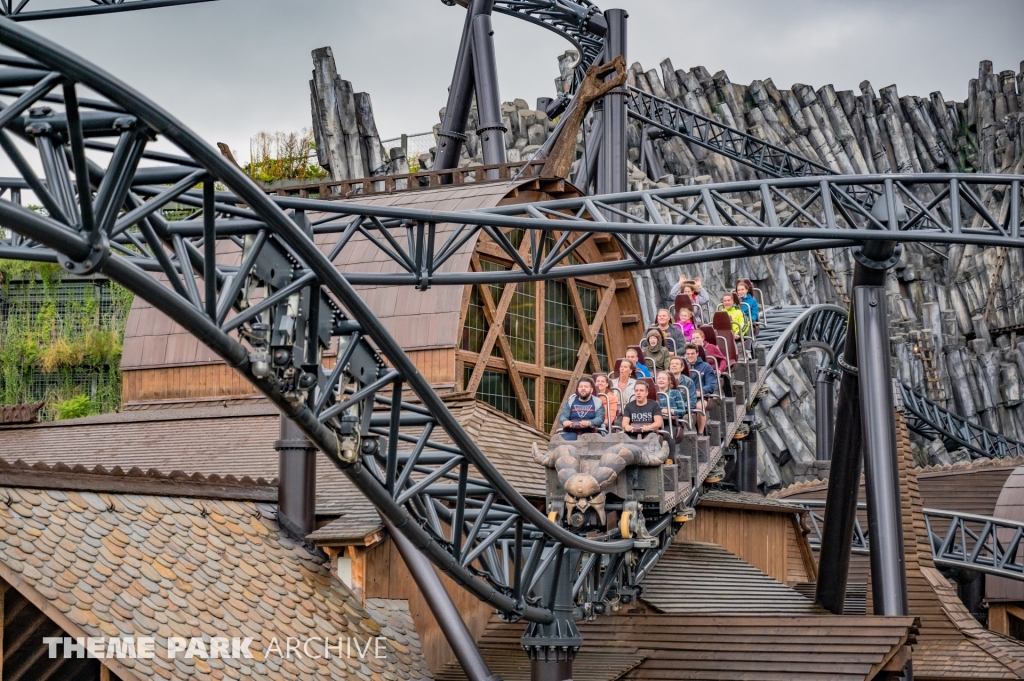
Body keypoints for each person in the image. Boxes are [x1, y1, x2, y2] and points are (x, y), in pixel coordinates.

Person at [558, 376, 605, 441]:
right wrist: (564, 421)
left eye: (586, 387)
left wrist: (589, 423)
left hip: (591, 432)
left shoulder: (597, 402)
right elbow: (563, 416)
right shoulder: (570, 401)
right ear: (578, 389)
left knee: (587, 439)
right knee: (562, 441)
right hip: (571, 431)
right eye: (581, 387)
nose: (583, 388)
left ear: (591, 390)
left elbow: (600, 418)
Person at [668, 356, 705, 434]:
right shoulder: (663, 381)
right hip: (667, 410)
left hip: (684, 410)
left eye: (677, 364)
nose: (674, 365)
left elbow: (692, 401)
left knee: (686, 418)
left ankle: (690, 438)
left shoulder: (688, 382)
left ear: (682, 368)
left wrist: (679, 408)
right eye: (672, 364)